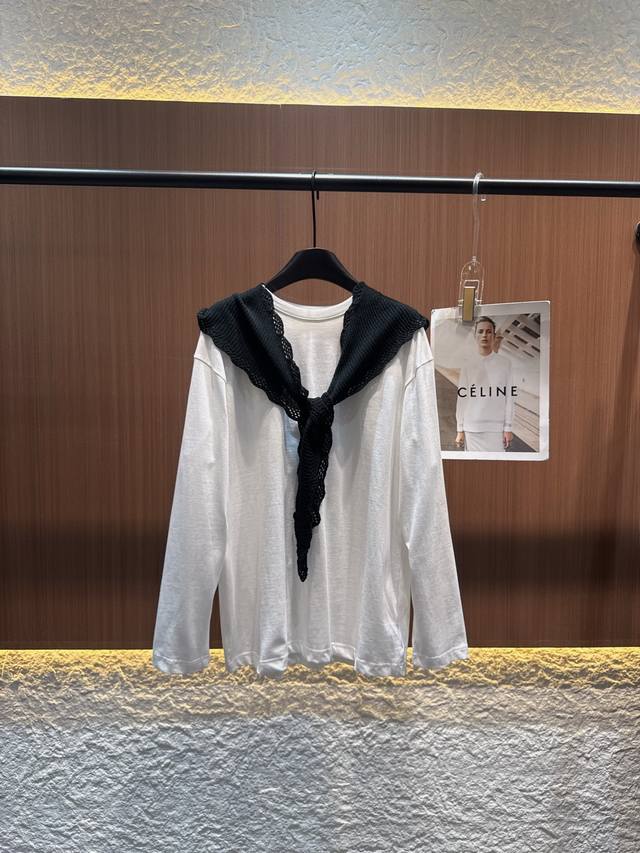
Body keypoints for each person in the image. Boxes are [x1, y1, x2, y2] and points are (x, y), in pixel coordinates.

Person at [455, 316, 515, 451]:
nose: (484, 335)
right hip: (471, 429)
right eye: (480, 331)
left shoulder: (505, 363)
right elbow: (462, 399)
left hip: (496, 430)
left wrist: (508, 427)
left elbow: (509, 397)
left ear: (494, 336)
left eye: (488, 332)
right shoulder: (467, 364)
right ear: (475, 336)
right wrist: (460, 429)